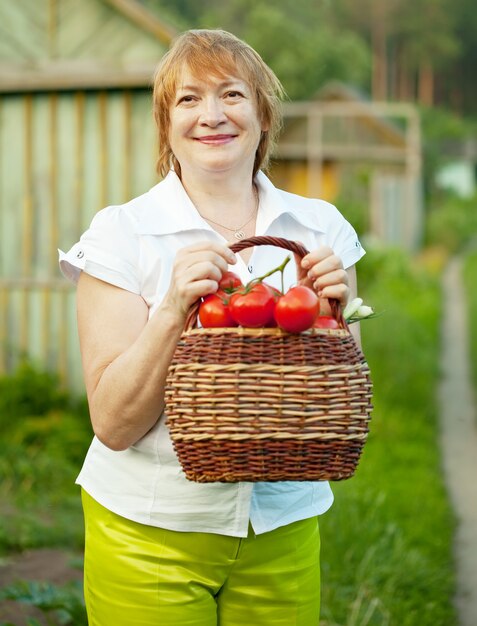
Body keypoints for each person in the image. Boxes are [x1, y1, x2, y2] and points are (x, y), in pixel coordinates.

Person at [59, 28, 365, 626]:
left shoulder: (319, 228)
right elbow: (114, 423)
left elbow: (343, 395)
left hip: (283, 523)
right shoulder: (121, 234)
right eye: (189, 99)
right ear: (166, 124)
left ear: (263, 115)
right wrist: (173, 309)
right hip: (149, 529)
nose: (212, 115)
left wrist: (334, 315)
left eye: (231, 94)